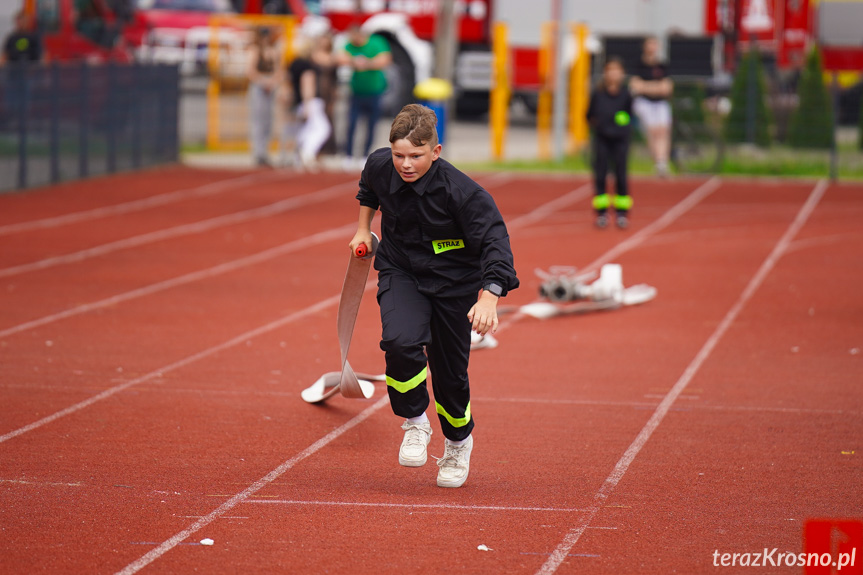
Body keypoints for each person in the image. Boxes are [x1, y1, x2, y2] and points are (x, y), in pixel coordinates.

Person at [349, 104, 519, 488]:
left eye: (416, 156)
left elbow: (496, 244)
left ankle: (458, 443)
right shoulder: (381, 165)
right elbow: (368, 189)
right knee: (399, 341)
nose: (405, 164)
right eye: (399, 155)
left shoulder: (463, 194)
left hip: (454, 284)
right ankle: (415, 422)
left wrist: (490, 296)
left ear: (436, 152)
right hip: (401, 270)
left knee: (449, 374)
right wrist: (363, 229)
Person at [586, 56, 634, 230]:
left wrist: (622, 121)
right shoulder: (598, 94)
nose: (613, 74)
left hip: (620, 140)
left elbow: (630, 116)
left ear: (622, 74)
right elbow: (589, 115)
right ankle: (602, 213)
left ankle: (622, 213)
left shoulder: (626, 94)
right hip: (602, 139)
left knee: (621, 175)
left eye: (617, 70)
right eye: (610, 70)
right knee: (600, 175)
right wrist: (599, 123)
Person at [339, 23, 391, 167]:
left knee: (371, 125)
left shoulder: (376, 42)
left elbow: (385, 59)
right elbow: (340, 57)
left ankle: (364, 154)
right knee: (352, 124)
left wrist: (365, 63)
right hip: (356, 92)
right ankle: (349, 154)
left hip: (374, 92)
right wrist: (354, 62)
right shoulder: (350, 45)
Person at [281, 37, 331, 169]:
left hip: (297, 101)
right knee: (323, 129)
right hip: (310, 101)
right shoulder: (307, 65)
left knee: (303, 130)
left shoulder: (293, 63)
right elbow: (307, 84)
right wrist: (308, 104)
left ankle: (297, 155)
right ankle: (307, 153)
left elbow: (287, 81)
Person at [630, 36, 674, 177]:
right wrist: (656, 87)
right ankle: (658, 162)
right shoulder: (638, 65)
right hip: (644, 103)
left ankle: (662, 163)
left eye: (655, 44)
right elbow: (636, 87)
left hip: (660, 103)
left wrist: (646, 86)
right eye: (650, 44)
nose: (652, 47)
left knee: (663, 131)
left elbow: (666, 88)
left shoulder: (662, 65)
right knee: (653, 132)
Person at [247, 27, 280, 167]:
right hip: (259, 87)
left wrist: (272, 82)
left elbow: (279, 70)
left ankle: (265, 152)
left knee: (268, 121)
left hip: (270, 87)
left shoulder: (273, 51)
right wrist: (263, 82)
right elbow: (250, 71)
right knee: (257, 121)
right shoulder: (255, 50)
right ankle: (258, 153)